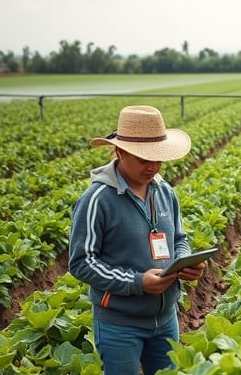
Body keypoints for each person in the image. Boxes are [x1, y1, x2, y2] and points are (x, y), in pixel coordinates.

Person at [68, 105, 204, 375]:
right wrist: (137, 282)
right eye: (144, 159)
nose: (153, 166)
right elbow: (82, 261)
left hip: (166, 319)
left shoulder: (165, 191)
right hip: (119, 325)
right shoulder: (97, 200)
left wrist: (185, 262)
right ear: (120, 152)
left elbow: (179, 238)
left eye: (158, 158)